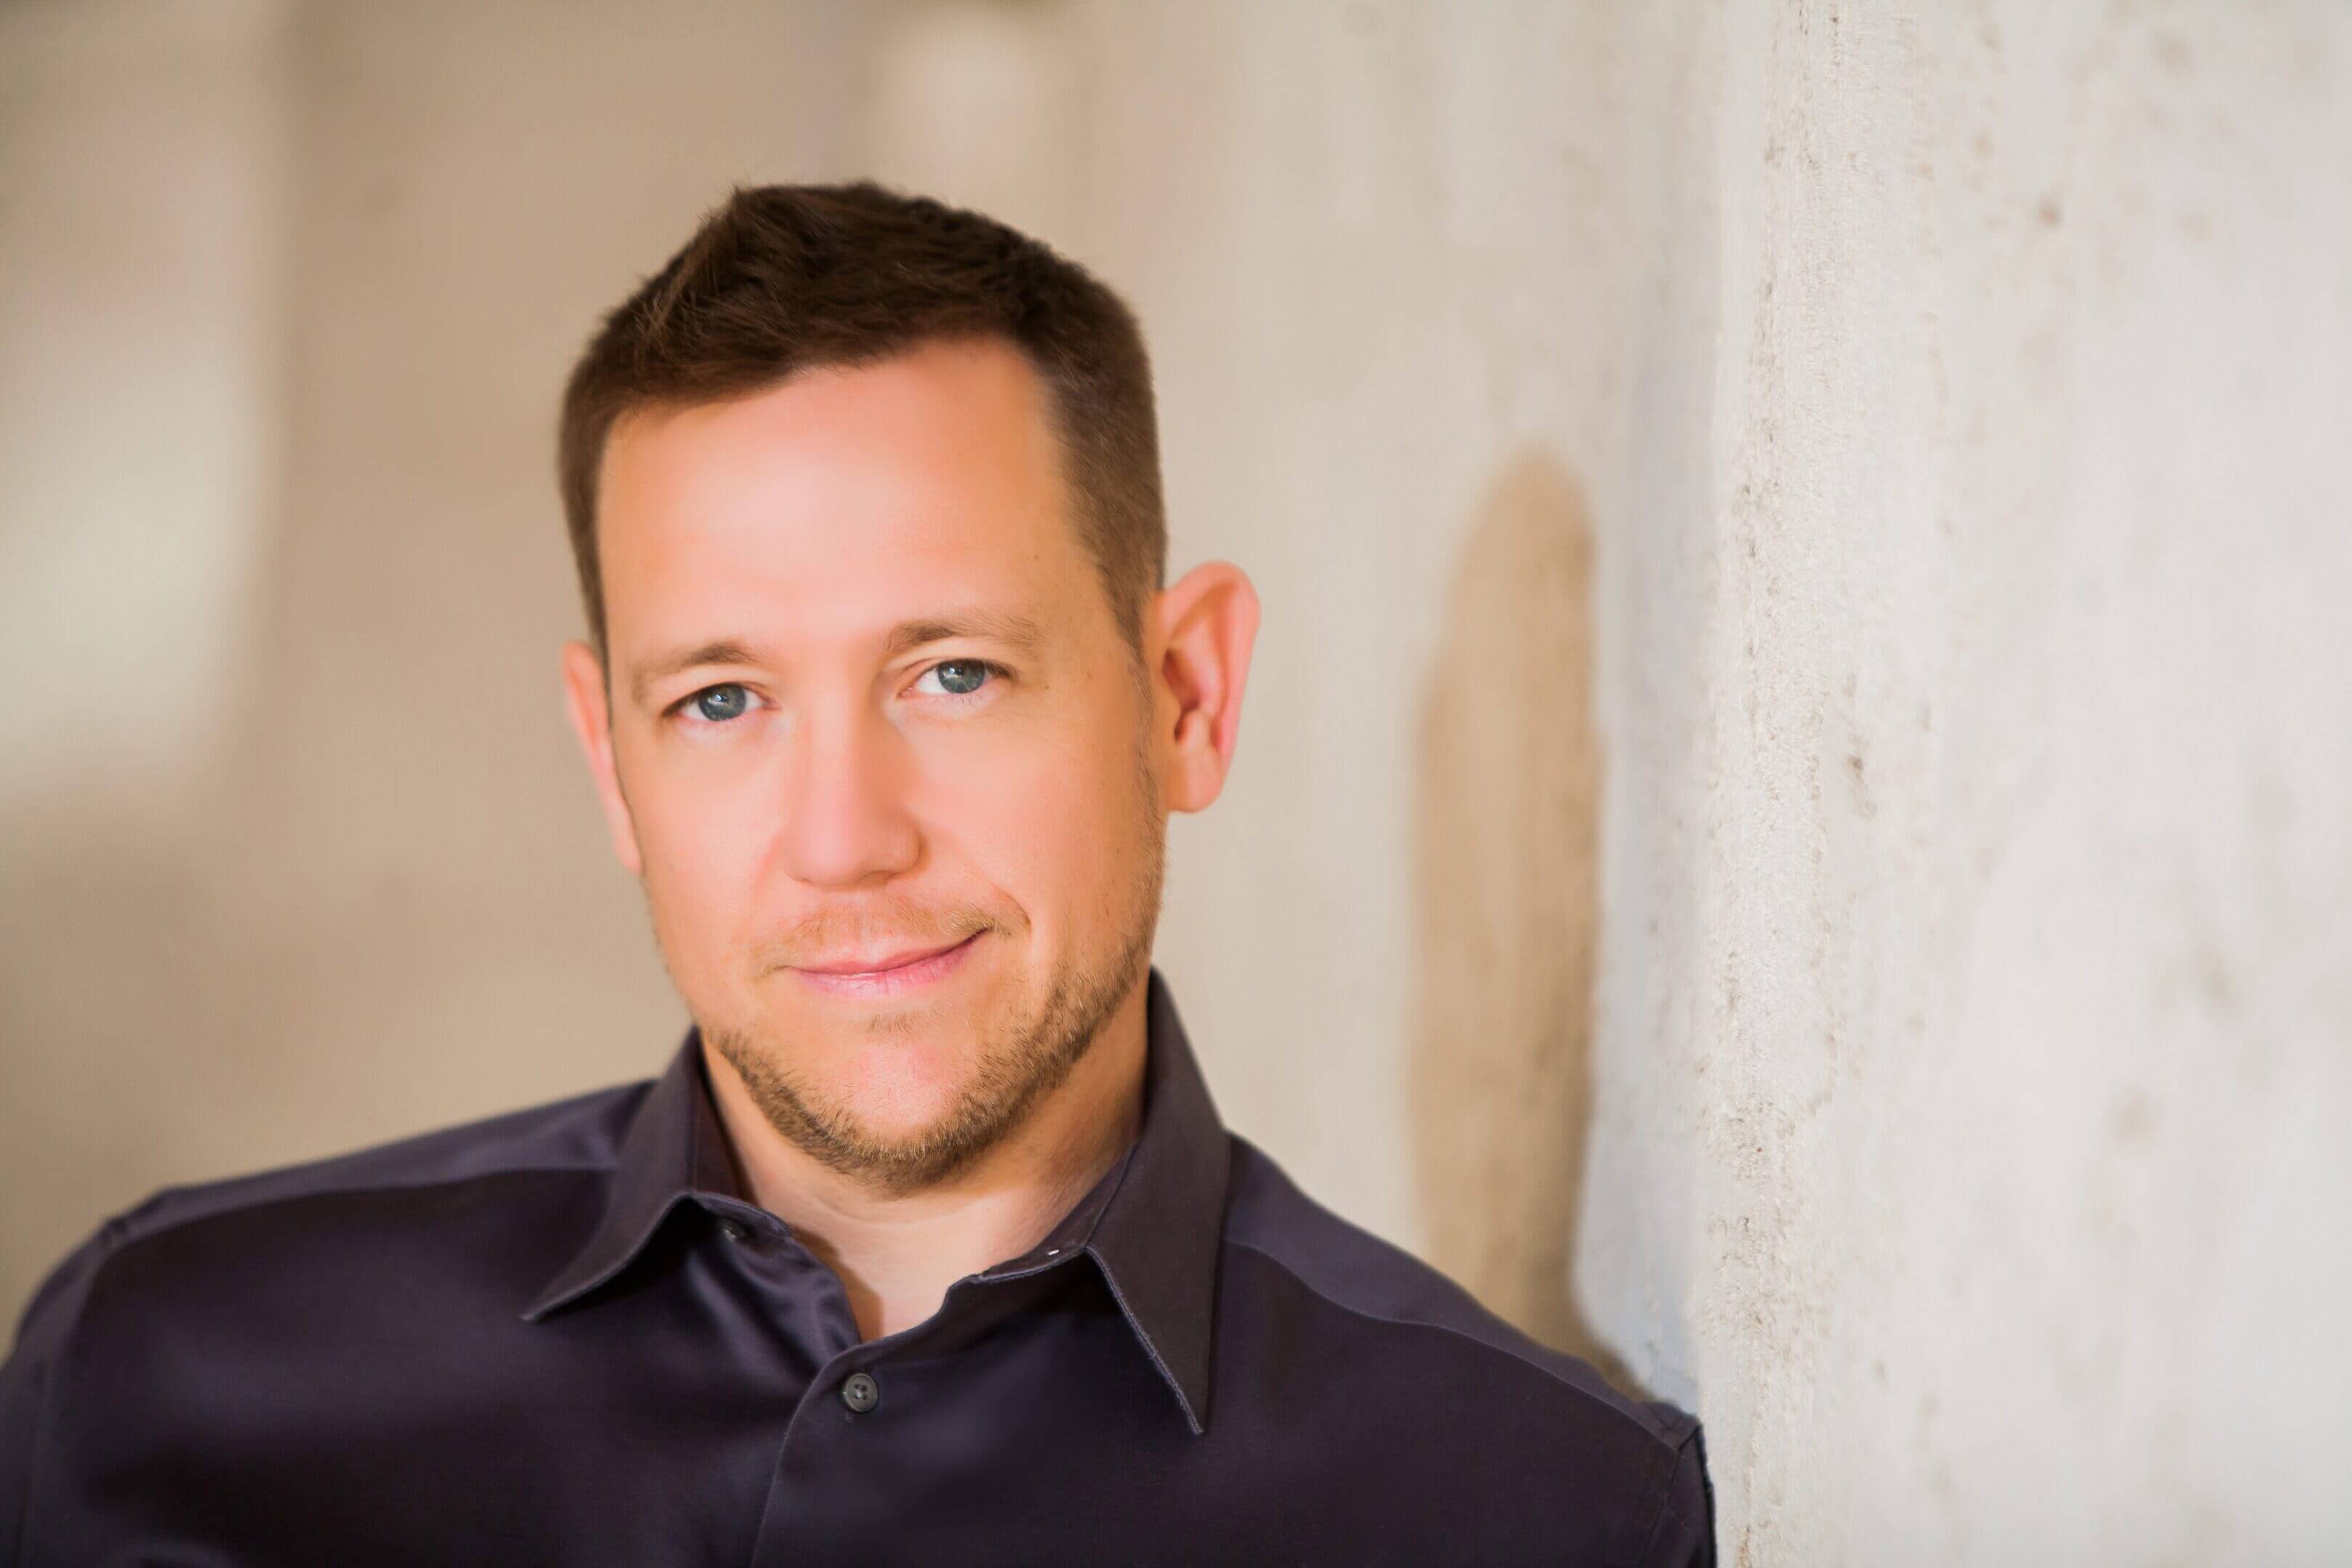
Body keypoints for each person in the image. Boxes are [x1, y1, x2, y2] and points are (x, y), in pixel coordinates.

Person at [0, 182, 1712, 1565]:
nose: (843, 839)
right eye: (723, 699)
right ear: (615, 762)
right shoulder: (161, 1367)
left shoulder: (1530, 1513)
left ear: (1185, 697)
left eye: (953, 672)